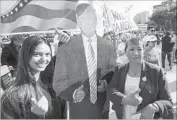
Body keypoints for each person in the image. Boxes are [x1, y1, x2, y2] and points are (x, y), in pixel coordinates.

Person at [52, 2, 116, 119]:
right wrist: (73, 93)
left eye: (90, 17)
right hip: (78, 110)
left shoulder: (108, 47)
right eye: (82, 18)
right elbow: (58, 82)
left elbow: (112, 72)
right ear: (78, 21)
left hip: (102, 109)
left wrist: (106, 82)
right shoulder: (67, 47)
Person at [108, 33, 174, 119]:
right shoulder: (120, 70)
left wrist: (154, 106)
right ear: (125, 52)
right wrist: (124, 99)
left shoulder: (156, 72)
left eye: (139, 49)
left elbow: (168, 102)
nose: (136, 53)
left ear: (143, 50)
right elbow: (111, 90)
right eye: (131, 49)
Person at [1, 36, 61, 119]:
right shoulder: (12, 97)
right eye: (37, 54)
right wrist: (35, 116)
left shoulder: (49, 84)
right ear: (26, 56)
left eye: (47, 54)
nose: (44, 59)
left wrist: (62, 43)